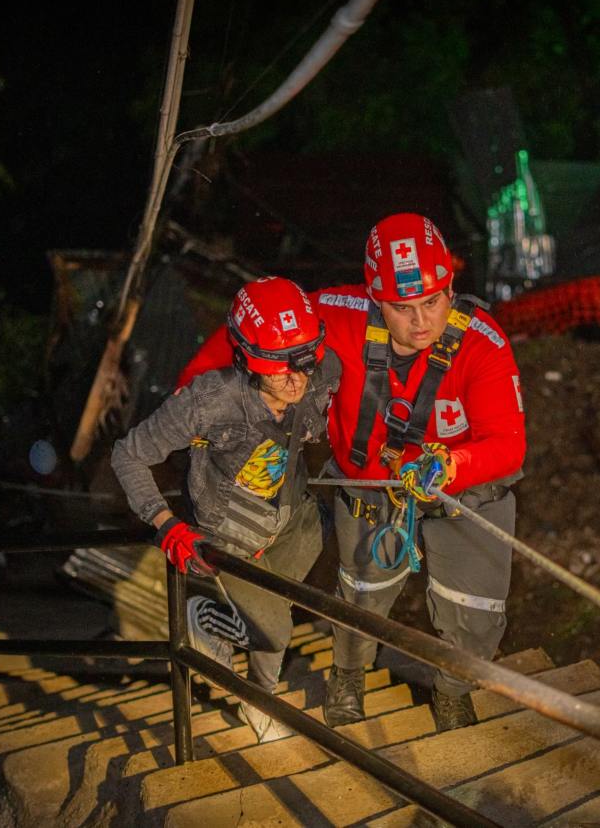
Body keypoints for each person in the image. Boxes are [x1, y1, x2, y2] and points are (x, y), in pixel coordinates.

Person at [179, 213, 527, 732]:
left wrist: (453, 463)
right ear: (374, 297)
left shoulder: (484, 345)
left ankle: (452, 690)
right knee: (362, 591)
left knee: (474, 612)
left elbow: (509, 445)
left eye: (433, 302)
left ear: (451, 288)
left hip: (466, 492)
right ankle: (348, 673)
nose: (420, 322)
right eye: (401, 308)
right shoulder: (337, 316)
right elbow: (257, 334)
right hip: (369, 485)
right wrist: (195, 398)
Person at [111, 277, 340, 743]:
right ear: (248, 361)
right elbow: (128, 454)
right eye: (280, 368)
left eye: (305, 360)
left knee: (289, 589)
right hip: (230, 529)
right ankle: (258, 699)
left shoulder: (323, 371)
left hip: (291, 515)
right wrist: (166, 524)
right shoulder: (210, 401)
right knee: (275, 630)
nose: (297, 379)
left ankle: (220, 620)